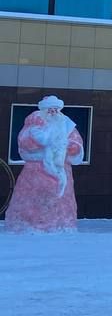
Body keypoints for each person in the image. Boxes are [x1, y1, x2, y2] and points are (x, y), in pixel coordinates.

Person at [6, 95, 83, 233]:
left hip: (60, 170)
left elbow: (76, 142)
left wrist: (73, 147)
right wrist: (38, 142)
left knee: (60, 200)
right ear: (44, 109)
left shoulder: (66, 124)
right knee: (33, 200)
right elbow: (24, 142)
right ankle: (28, 226)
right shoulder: (34, 124)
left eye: (56, 109)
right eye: (50, 109)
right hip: (35, 172)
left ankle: (61, 225)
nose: (53, 112)